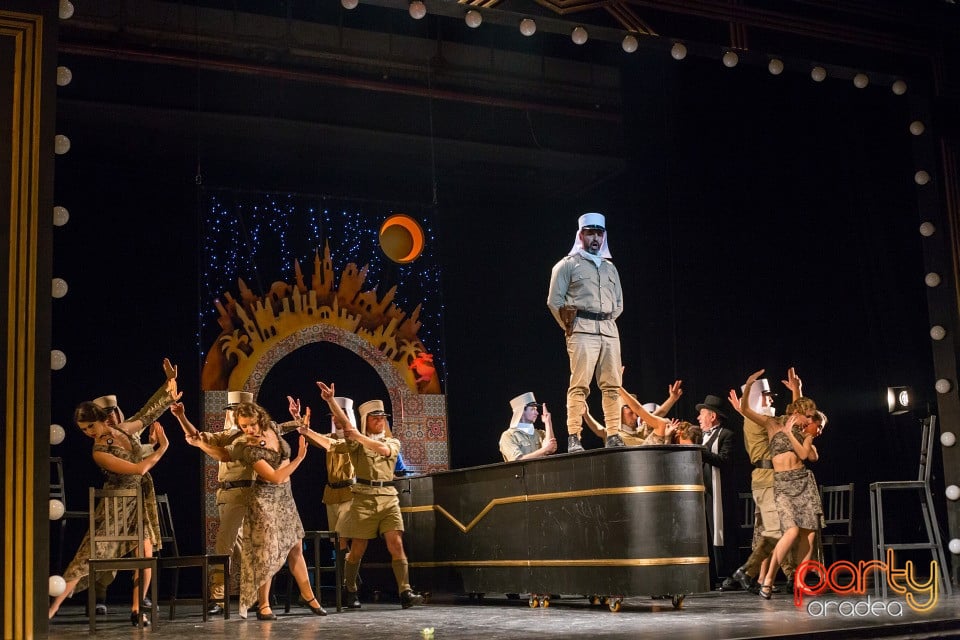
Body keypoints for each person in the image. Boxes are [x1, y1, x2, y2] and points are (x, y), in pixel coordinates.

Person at [48, 373, 180, 626]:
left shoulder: (123, 430)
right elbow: (139, 469)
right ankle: (52, 608)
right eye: (84, 430)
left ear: (101, 419)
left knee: (146, 554)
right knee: (87, 556)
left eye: (90, 426)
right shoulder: (99, 451)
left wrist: (167, 390)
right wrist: (163, 448)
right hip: (115, 505)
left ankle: (136, 610)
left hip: (139, 502)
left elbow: (147, 414)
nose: (88, 433)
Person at [175, 393, 311, 617]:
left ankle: (259, 597)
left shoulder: (260, 431)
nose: (235, 414)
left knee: (256, 548)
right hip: (233, 494)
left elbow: (283, 427)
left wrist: (298, 420)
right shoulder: (226, 436)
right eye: (232, 410)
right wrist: (181, 417)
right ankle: (218, 597)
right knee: (226, 545)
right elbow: (197, 437)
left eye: (239, 410)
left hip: (257, 492)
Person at [306, 382, 424, 609]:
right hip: (363, 498)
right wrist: (330, 401)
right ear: (366, 420)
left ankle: (405, 591)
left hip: (388, 497)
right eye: (375, 418)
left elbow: (384, 450)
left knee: (396, 543)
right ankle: (350, 587)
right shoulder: (356, 444)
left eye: (382, 418)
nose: (380, 421)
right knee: (357, 548)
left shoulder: (392, 442)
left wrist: (358, 436)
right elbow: (337, 437)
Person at [739, 369, 824, 599]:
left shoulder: (800, 429)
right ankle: (767, 579)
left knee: (808, 536)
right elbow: (745, 410)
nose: (810, 420)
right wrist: (748, 386)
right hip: (783, 484)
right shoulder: (772, 424)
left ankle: (799, 581)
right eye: (808, 415)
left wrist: (798, 389)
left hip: (803, 481)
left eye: (811, 417)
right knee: (790, 532)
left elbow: (808, 454)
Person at [547, 212, 625, 452]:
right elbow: (554, 301)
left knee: (612, 385)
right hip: (582, 330)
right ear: (581, 235)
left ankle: (613, 433)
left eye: (599, 233)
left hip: (608, 330)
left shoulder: (610, 268)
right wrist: (570, 327)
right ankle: (574, 435)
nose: (595, 238)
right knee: (580, 385)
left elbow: (619, 303)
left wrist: (606, 322)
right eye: (590, 233)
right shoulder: (567, 265)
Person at [722, 369, 802, 593]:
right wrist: (796, 391)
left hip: (769, 479)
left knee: (772, 530)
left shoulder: (758, 419)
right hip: (768, 480)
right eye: (766, 397)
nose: (771, 400)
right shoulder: (761, 420)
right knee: (778, 529)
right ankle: (751, 573)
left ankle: (758, 576)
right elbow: (792, 422)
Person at [296, 394, 360, 608]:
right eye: (333, 415)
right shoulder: (330, 436)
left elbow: (333, 444)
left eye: (338, 415)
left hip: (350, 493)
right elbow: (313, 439)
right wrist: (301, 423)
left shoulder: (355, 438)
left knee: (342, 539)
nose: (335, 419)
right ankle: (348, 585)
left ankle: (350, 589)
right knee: (337, 542)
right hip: (332, 494)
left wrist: (308, 431)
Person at [696, 393, 736, 589]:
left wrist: (700, 451)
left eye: (702, 414)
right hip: (704, 491)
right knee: (705, 531)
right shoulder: (701, 436)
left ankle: (727, 574)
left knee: (721, 530)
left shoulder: (727, 435)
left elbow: (725, 461)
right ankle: (709, 575)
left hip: (720, 491)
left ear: (712, 416)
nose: (698, 418)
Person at [498, 392, 557, 461]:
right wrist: (544, 450)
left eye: (536, 409)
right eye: (532, 409)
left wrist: (548, 422)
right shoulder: (508, 436)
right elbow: (517, 461)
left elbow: (552, 448)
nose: (537, 413)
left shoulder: (540, 433)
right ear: (521, 412)